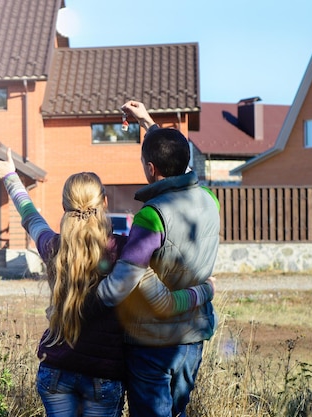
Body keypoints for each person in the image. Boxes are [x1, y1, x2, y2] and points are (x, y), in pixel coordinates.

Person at [0, 148, 215, 417]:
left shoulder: (53, 248)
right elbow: (161, 297)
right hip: (103, 376)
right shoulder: (125, 250)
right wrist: (204, 291)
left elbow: (29, 216)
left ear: (65, 206)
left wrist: (10, 177)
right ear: (105, 202)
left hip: (55, 371)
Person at [93, 100, 221, 417]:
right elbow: (179, 166)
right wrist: (147, 122)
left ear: (150, 169)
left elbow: (122, 283)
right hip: (192, 338)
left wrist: (87, 303)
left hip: (152, 343)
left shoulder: (152, 215)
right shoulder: (209, 199)